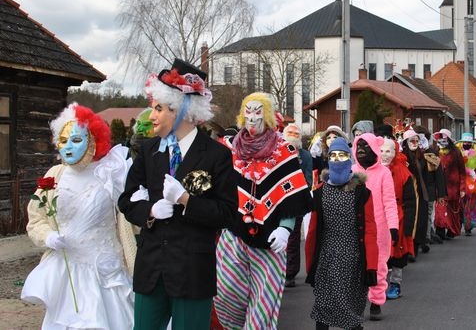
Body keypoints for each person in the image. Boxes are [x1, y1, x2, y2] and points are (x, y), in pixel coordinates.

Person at [118, 59, 238, 330]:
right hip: (151, 272)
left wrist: (186, 200)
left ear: (180, 109)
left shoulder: (217, 155)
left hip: (192, 272)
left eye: (159, 108)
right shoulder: (149, 152)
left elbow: (228, 214)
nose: (152, 116)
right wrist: (149, 210)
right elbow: (126, 200)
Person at [22, 103, 135, 329]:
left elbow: (130, 216)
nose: (69, 148)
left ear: (93, 140)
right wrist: (48, 236)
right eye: (63, 141)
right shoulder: (54, 175)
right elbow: (36, 218)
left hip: (106, 270)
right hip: (66, 268)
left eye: (76, 140)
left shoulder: (110, 171)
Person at [215, 92, 311, 329]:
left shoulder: (283, 149)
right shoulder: (232, 148)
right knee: (224, 294)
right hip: (234, 233)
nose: (252, 117)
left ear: (267, 116)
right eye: (248, 111)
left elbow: (291, 193)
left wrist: (285, 229)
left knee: (262, 308)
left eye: (258, 111)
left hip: (270, 239)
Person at [305, 137, 379, 330]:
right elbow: (313, 231)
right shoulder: (320, 193)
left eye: (342, 155)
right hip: (326, 258)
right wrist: (310, 264)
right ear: (328, 159)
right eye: (333, 156)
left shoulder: (362, 193)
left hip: (353, 258)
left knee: (350, 308)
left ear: (349, 158)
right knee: (323, 306)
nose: (337, 160)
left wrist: (371, 265)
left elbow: (370, 229)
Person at [351, 133, 398, 321]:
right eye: (359, 146)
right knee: (355, 266)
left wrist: (393, 226)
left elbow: (389, 202)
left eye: (366, 146)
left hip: (379, 230)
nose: (362, 150)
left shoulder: (384, 173)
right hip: (355, 228)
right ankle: (357, 302)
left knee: (378, 266)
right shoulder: (352, 171)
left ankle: (376, 301)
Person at [380, 137, 417, 300]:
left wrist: (408, 227)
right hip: (378, 218)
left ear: (395, 152)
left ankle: (395, 283)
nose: (384, 155)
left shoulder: (404, 173)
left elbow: (410, 202)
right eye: (381, 151)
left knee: (398, 253)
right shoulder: (372, 170)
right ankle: (379, 284)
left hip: (399, 218)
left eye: (388, 151)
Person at [401, 129, 446, 254]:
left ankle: (417, 245)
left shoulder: (423, 155)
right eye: (412, 141)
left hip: (421, 193)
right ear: (405, 142)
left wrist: (440, 193)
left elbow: (436, 172)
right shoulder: (402, 158)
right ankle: (408, 249)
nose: (415, 143)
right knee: (409, 221)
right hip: (407, 194)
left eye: (416, 140)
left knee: (421, 220)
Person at [282, 122, 314, 288]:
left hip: (297, 200)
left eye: (295, 135)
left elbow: (308, 180)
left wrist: (298, 188)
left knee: (293, 237)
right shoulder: (278, 153)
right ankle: (278, 269)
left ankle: (290, 272)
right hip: (279, 200)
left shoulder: (306, 156)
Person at [433, 129, 466, 240]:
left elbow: (462, 171)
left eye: (444, 138)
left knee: (452, 210)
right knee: (440, 210)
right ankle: (440, 231)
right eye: (440, 138)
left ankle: (451, 231)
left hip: (453, 187)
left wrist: (462, 188)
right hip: (440, 186)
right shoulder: (435, 151)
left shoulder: (456, 152)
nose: (441, 140)